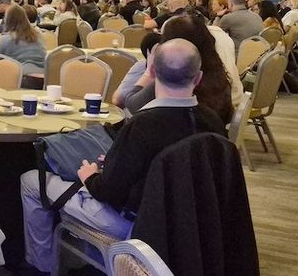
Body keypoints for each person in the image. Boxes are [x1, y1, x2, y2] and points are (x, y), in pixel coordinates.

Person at [20, 39, 226, 274]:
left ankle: (41, 267)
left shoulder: (142, 126)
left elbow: (108, 192)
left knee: (31, 180)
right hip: (188, 221)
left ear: (153, 72)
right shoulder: (213, 122)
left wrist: (90, 176)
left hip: (135, 222)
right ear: (198, 78)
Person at [124, 15, 236, 123]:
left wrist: (149, 71)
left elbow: (132, 104)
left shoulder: (174, 78)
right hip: (210, 138)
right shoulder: (217, 76)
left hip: (169, 138)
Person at [0, 5, 46, 76]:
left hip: (20, 76)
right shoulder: (38, 35)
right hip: (44, 75)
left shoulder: (7, 39)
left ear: (7, 20)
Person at [112, 32, 162, 109]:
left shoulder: (145, 67)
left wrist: (148, 73)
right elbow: (117, 100)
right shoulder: (142, 66)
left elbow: (118, 100)